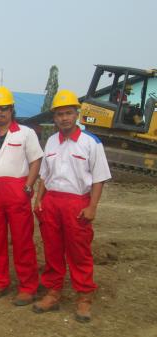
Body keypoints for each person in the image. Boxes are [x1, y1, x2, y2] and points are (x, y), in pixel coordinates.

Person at [32, 89, 111, 323]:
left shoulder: (91, 143)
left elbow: (99, 178)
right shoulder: (51, 141)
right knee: (53, 250)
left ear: (77, 114)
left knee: (79, 252)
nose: (64, 118)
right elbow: (45, 175)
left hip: (77, 203)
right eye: (59, 114)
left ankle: (84, 297)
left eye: (68, 113)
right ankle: (53, 292)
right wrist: (39, 200)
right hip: (52, 202)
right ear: (54, 117)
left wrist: (92, 207)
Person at [0, 86, 44, 306]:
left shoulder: (25, 133)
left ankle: (28, 286)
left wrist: (28, 185)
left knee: (22, 241)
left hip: (17, 191)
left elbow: (36, 161)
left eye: (3, 109)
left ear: (11, 110)